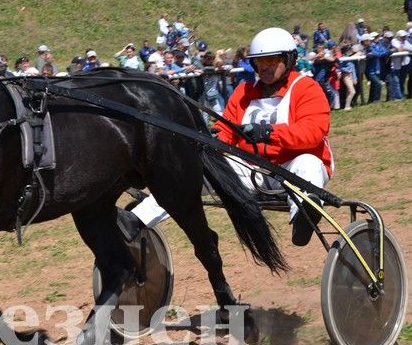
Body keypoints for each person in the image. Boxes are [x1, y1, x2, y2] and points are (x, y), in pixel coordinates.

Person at [122, 27, 333, 247]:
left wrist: (269, 132)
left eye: (271, 60)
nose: (265, 67)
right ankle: (135, 220)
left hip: (294, 167)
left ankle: (305, 214)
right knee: (194, 172)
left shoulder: (306, 89)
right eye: (260, 62)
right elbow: (225, 133)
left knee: (307, 163)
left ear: (289, 60)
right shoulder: (243, 92)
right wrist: (207, 141)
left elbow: (313, 133)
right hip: (254, 171)